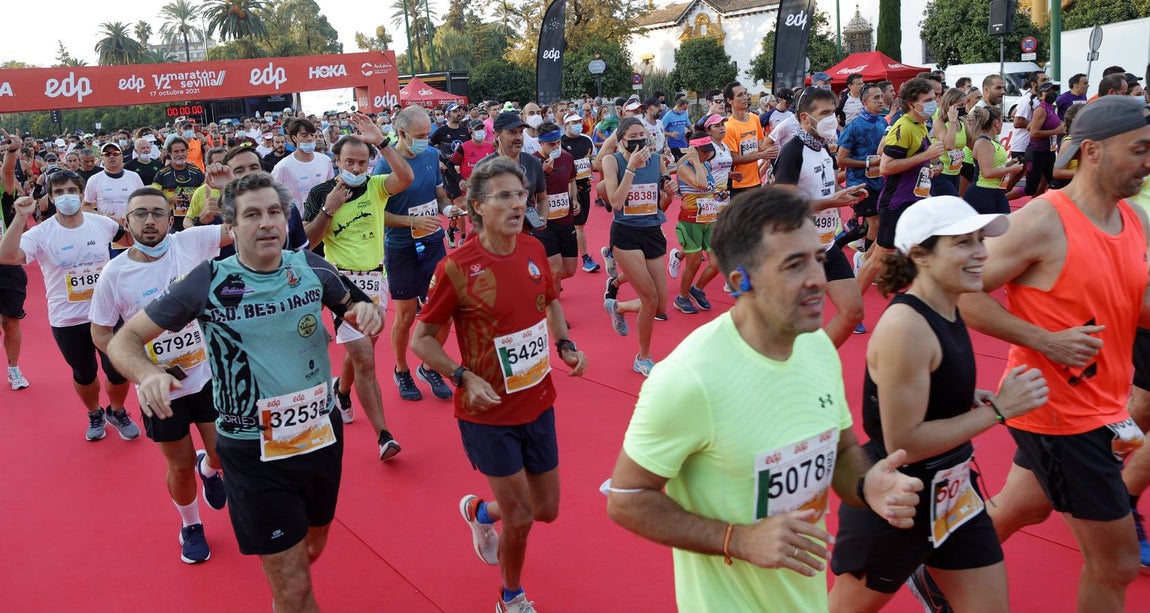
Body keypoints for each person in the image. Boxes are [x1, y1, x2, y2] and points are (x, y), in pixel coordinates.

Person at [606, 186, 923, 612]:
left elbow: (843, 450)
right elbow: (626, 499)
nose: (817, 278)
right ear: (741, 282)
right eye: (794, 265)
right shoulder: (687, 378)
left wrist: (868, 485)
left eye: (817, 257)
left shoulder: (817, 347)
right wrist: (736, 539)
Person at [108, 171, 381, 613]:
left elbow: (360, 308)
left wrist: (369, 314)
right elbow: (124, 340)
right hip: (252, 451)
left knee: (311, 550)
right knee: (294, 589)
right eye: (252, 215)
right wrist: (147, 373)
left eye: (274, 212)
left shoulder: (312, 268)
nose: (267, 222)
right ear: (231, 228)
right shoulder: (207, 280)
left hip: (320, 435)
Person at [943, 95, 1150, 612]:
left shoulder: (1133, 219)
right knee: (1118, 563)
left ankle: (936, 570)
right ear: (1094, 151)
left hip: (1104, 404)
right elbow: (960, 292)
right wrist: (1044, 340)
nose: (1149, 161)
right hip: (1058, 413)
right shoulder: (1041, 220)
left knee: (1021, 507)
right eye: (1140, 149)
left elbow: (1138, 302)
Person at [828, 196, 1047, 612]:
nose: (981, 253)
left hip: (955, 491)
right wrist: (997, 411)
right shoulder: (906, 327)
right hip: (897, 497)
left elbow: (933, 385)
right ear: (922, 256)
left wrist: (966, 397)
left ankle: (926, 577)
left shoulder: (949, 304)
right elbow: (904, 440)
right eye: (963, 243)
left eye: (980, 240)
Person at [411, 157, 588, 613]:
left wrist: (565, 343)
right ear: (476, 207)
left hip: (539, 400)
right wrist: (461, 375)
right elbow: (422, 339)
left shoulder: (532, 248)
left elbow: (549, 302)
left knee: (546, 509)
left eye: (521, 194)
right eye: (504, 196)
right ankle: (511, 596)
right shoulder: (455, 267)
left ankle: (478, 512)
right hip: (487, 414)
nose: (517, 203)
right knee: (523, 517)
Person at [90, 187, 232, 564]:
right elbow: (101, 332)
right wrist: (144, 370)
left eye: (157, 213)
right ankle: (191, 525)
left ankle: (211, 469)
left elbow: (241, 224)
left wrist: (223, 186)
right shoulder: (114, 273)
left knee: (222, 454)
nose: (149, 220)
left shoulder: (192, 242)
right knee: (180, 465)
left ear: (171, 219)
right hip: (158, 389)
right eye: (140, 214)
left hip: (206, 373)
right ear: (127, 221)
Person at [0, 170, 140, 442]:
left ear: (81, 193)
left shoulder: (102, 224)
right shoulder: (42, 233)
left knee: (118, 370)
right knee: (85, 374)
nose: (66, 197)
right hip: (68, 318)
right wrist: (19, 217)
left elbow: (128, 241)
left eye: (71, 190)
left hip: (108, 314)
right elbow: (6, 257)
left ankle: (118, 411)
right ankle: (95, 413)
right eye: (59, 192)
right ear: (51, 198)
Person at [304, 114, 412, 460]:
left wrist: (382, 142)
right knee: (365, 358)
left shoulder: (377, 185)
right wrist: (328, 209)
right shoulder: (321, 193)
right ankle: (384, 435)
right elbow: (308, 241)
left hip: (376, 278)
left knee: (363, 350)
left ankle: (342, 388)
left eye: (362, 161)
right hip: (342, 283)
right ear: (336, 161)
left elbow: (405, 177)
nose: (355, 166)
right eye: (349, 161)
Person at [773, 87, 868, 344]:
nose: (832, 119)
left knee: (853, 311)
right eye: (825, 113)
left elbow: (826, 186)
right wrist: (830, 201)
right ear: (805, 118)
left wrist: (845, 192)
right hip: (797, 249)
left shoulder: (824, 148)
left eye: (834, 113)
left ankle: (816, 363)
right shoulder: (792, 151)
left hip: (826, 244)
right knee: (794, 323)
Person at [377, 106, 458, 402]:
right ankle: (401, 370)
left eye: (427, 134)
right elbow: (378, 214)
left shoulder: (431, 155)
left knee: (443, 310)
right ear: (401, 134)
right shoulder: (384, 166)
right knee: (407, 315)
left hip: (434, 241)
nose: (426, 140)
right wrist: (411, 221)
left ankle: (429, 365)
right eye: (420, 136)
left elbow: (438, 193)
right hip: (400, 247)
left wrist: (448, 208)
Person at [855, 78, 945, 293]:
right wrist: (926, 155)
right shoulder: (903, 127)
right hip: (898, 203)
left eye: (935, 98)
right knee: (880, 258)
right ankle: (852, 304)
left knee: (926, 251)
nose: (934, 103)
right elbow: (886, 167)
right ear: (913, 104)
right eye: (929, 99)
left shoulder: (919, 124)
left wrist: (928, 167)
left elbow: (915, 162)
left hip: (916, 201)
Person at [601, 117, 671, 376]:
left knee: (660, 306)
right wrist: (630, 168)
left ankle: (617, 307)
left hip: (651, 231)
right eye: (633, 136)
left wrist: (669, 194)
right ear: (621, 140)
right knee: (649, 298)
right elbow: (617, 202)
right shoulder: (612, 161)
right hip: (626, 235)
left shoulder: (656, 160)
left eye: (643, 134)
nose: (640, 139)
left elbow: (658, 206)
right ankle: (643, 357)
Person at [836, 83, 888, 277]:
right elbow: (841, 159)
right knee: (875, 222)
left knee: (869, 224)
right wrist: (867, 162)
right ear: (864, 101)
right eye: (876, 98)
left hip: (880, 180)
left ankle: (842, 246)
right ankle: (866, 264)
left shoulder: (883, 123)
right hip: (859, 183)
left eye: (881, 96)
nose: (880, 100)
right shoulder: (854, 126)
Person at [666, 131, 720, 315]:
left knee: (717, 262)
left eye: (708, 152)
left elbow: (709, 189)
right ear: (695, 151)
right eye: (703, 152)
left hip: (709, 219)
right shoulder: (685, 168)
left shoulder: (706, 164)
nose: (708, 155)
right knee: (694, 263)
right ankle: (681, 297)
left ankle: (697, 289)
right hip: (690, 221)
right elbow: (702, 184)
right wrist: (695, 160)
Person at [531, 122, 579, 293]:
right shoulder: (533, 162)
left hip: (566, 220)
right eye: (551, 144)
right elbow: (528, 193)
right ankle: (555, 316)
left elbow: (571, 181)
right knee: (556, 270)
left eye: (558, 142)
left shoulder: (567, 158)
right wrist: (544, 172)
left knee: (569, 270)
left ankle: (541, 281)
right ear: (541, 143)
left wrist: (574, 199)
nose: (556, 146)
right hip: (544, 223)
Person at [0, 134, 29, 390]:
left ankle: (13, 369)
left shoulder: (2, 190)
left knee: (10, 322)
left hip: (5, 265)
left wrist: (12, 152)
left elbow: (8, 173)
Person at [558, 113, 600, 273]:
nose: (578, 125)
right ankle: (585, 258)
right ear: (566, 124)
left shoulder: (586, 140)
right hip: (566, 190)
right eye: (574, 122)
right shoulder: (560, 142)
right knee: (576, 226)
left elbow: (594, 161)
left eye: (579, 122)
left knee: (579, 225)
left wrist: (591, 166)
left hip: (585, 188)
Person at [964, 106, 1025, 216]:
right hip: (983, 193)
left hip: (996, 192)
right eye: (1002, 120)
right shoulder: (984, 143)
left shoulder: (991, 141)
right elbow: (987, 172)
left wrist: (1009, 164)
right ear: (997, 123)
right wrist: (1010, 169)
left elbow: (994, 166)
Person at [271, 118, 335, 218]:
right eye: (304, 135)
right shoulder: (282, 167)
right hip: (298, 221)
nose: (309, 138)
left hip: (324, 218)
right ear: (294, 138)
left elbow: (331, 191)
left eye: (312, 135)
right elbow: (273, 197)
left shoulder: (325, 161)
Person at [724, 81, 775, 199]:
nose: (745, 97)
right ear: (729, 100)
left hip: (755, 180)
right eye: (740, 95)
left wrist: (772, 148)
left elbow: (759, 144)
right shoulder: (728, 126)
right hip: (738, 183)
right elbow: (734, 159)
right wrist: (761, 154)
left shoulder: (754, 118)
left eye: (745, 93)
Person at [152, 137, 206, 232]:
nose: (180, 154)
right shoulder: (162, 173)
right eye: (176, 151)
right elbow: (153, 196)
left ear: (187, 151)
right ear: (170, 153)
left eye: (182, 151)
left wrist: (195, 197)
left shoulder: (196, 171)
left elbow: (207, 191)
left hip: (195, 220)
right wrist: (170, 200)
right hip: (171, 222)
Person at [1025, 82, 1065, 198]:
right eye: (1048, 92)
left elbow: (1030, 127)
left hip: (1049, 152)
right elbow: (1033, 133)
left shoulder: (1051, 108)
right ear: (1040, 95)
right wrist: (1056, 131)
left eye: (1053, 91)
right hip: (1036, 153)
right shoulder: (1041, 109)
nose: (1052, 94)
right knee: (1030, 189)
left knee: (1055, 184)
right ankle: (1004, 198)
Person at [929, 88, 967, 197]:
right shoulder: (939, 122)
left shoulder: (962, 121)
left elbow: (972, 143)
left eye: (964, 104)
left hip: (956, 171)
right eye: (960, 105)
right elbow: (948, 145)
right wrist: (952, 121)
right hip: (941, 172)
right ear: (949, 105)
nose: (963, 108)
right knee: (955, 202)